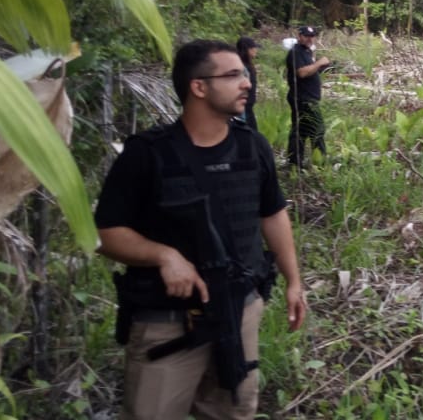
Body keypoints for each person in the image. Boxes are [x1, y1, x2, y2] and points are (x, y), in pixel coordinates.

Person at [95, 39, 307, 420]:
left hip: (239, 310)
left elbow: (272, 214)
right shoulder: (147, 153)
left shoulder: (253, 147)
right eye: (233, 75)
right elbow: (104, 233)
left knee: (233, 410)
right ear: (199, 87)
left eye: (244, 74)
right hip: (167, 321)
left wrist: (294, 280)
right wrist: (164, 256)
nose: (247, 82)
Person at [285, 25, 330, 168]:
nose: (310, 39)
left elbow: (310, 71)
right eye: (306, 36)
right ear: (299, 36)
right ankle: (320, 163)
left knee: (301, 130)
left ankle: (295, 163)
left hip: (307, 97)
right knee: (317, 129)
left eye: (312, 36)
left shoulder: (306, 52)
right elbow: (302, 73)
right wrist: (319, 63)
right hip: (304, 99)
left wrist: (319, 65)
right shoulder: (296, 52)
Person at [235, 36, 259, 131]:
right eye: (253, 48)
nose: (255, 50)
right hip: (243, 106)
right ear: (247, 49)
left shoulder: (248, 65)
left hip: (248, 106)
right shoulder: (241, 66)